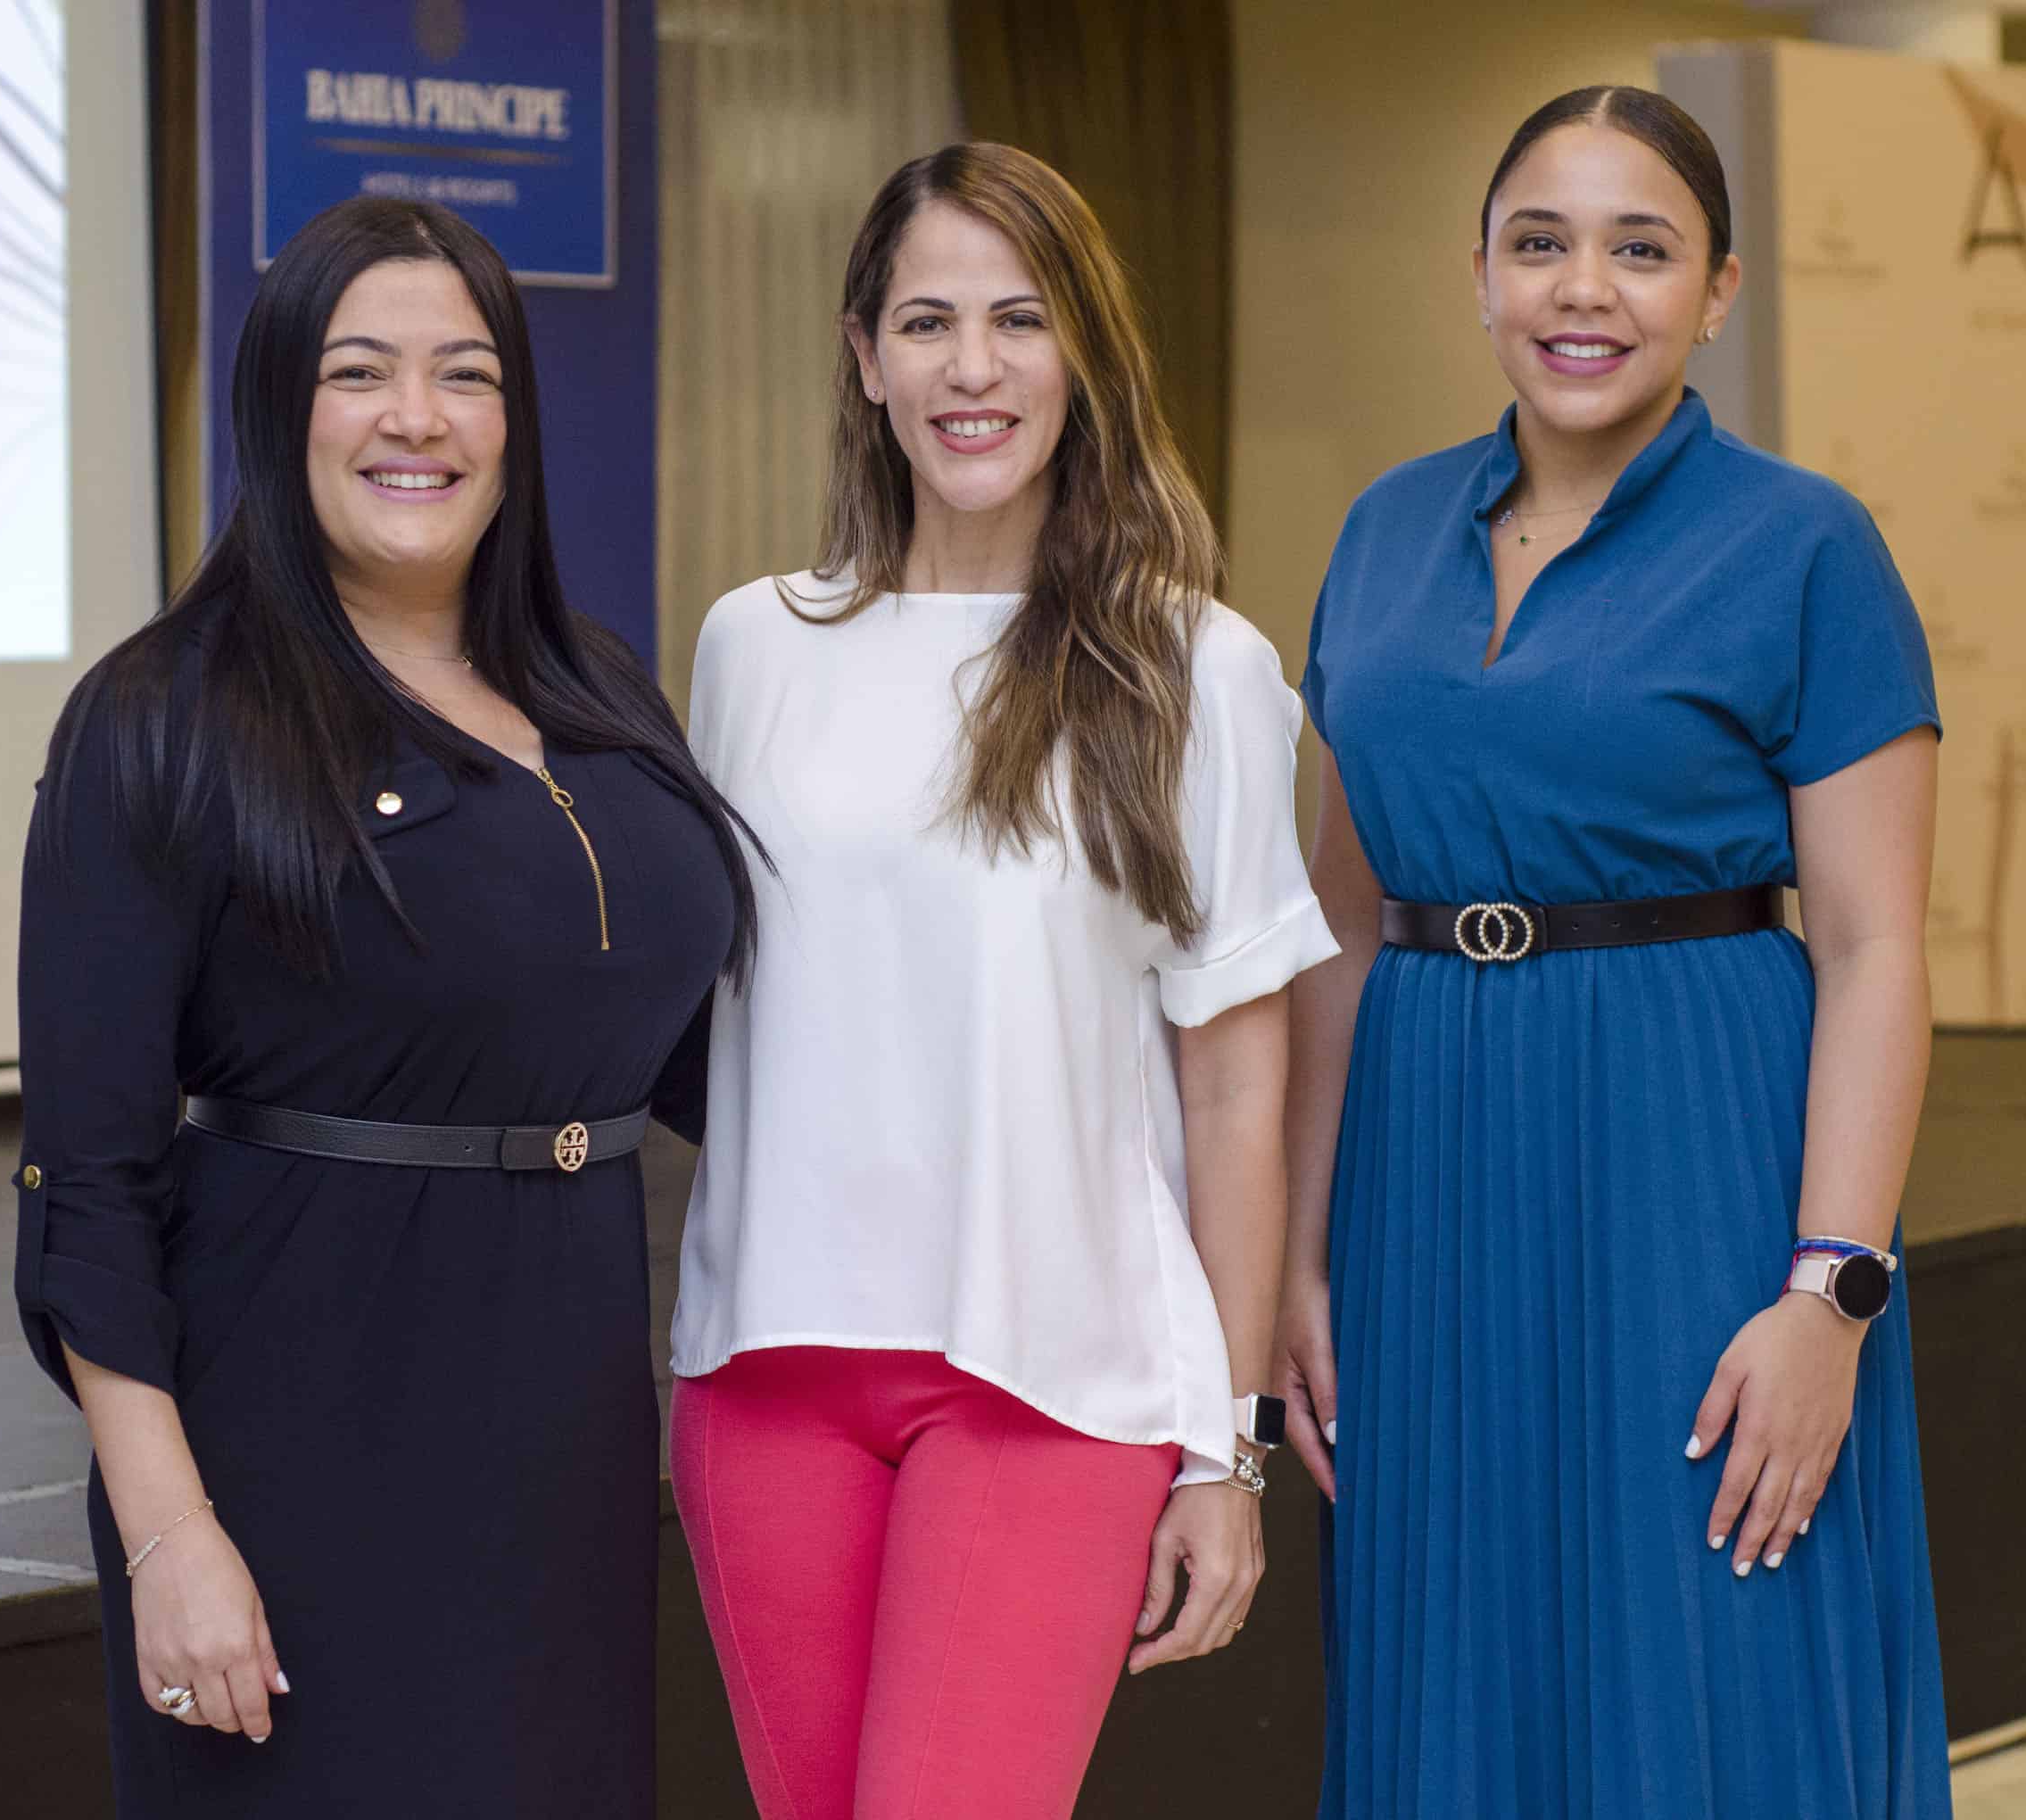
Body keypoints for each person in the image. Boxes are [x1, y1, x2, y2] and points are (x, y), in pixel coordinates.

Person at [12, 196, 760, 1817]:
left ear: (514, 422)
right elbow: (88, 1185)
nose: (416, 417)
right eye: (359, 372)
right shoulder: (164, 716)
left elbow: (712, 1061)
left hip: (560, 1435)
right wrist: (169, 1536)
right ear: (280, 410)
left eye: (464, 374)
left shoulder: (600, 688)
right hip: (289, 1442)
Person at [1278, 87, 1953, 1818]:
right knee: (1457, 1662)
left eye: (1640, 249)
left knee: (1706, 1653)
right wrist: (1294, 1252)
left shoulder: (1805, 544)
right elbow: (1337, 920)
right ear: (1480, 275)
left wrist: (1829, 1294)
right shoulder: (1379, 532)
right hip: (1426, 1180)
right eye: (1541, 244)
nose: (1584, 289)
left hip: (1696, 1171)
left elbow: (1875, 947)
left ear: (1716, 291)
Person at [666, 142, 1336, 1820]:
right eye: (928, 323)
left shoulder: (1194, 668)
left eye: (1020, 320)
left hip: (1055, 1380)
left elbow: (1235, 1092)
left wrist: (1227, 1447)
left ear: (1082, 353)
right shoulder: (753, 645)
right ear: (864, 358)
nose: (972, 368)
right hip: (764, 1380)